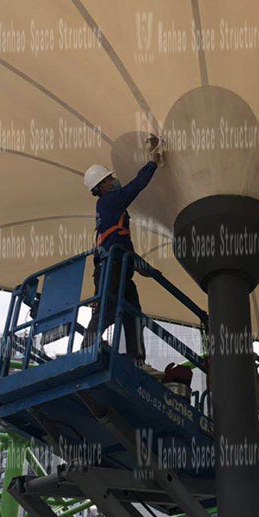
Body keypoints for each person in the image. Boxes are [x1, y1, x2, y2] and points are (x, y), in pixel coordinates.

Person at [82, 135, 163, 364]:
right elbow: (135, 187)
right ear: (101, 187)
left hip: (120, 268)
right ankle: (88, 348)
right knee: (108, 308)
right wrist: (153, 162)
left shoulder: (109, 210)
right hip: (112, 269)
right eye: (109, 179)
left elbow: (122, 245)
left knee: (133, 315)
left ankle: (137, 361)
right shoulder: (109, 202)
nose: (113, 181)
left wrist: (144, 268)